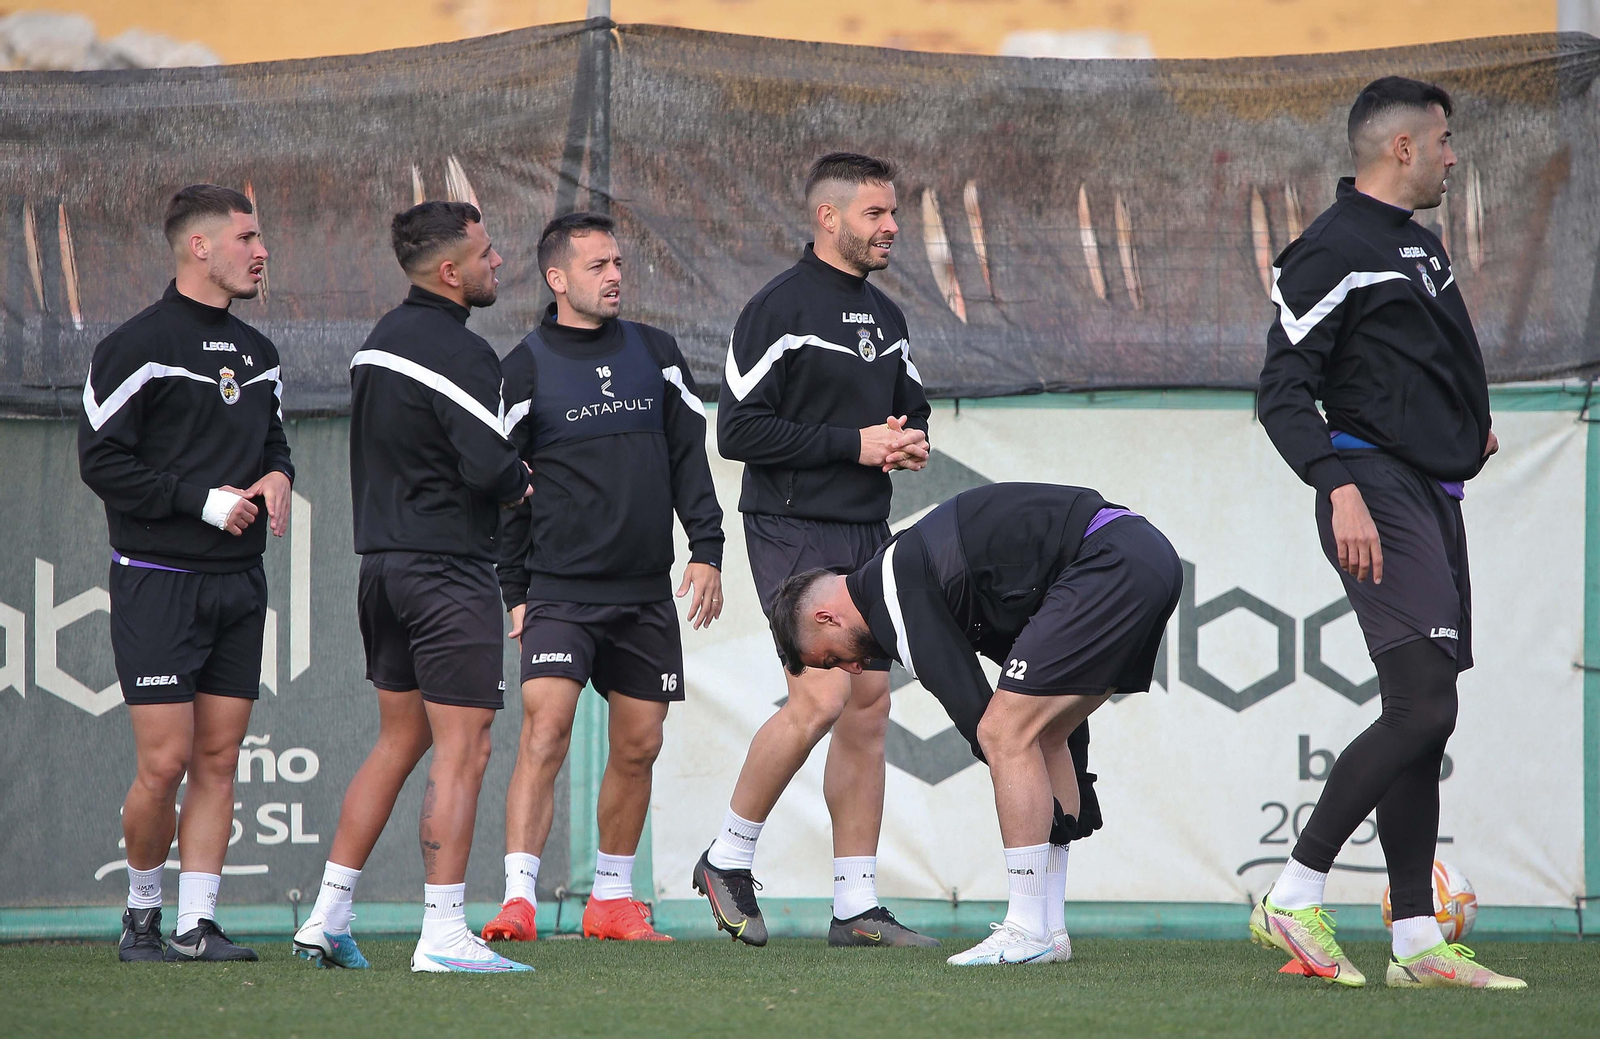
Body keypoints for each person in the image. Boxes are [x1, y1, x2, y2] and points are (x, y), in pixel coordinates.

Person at [1254, 76, 1523, 990]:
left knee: (1424, 715)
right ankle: (1293, 890)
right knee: (1423, 707)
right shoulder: (1331, 249)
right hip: (1373, 487)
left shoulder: (1418, 242)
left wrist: (1462, 422)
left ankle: (1415, 940)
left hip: (1430, 488)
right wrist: (1339, 488)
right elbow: (1283, 386)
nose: (1454, 155)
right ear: (1403, 148)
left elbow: (1416, 360)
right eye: (1443, 140)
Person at [768, 483, 1180, 965]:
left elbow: (979, 718)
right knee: (1035, 730)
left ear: (826, 617)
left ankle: (1026, 929)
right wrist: (1073, 794)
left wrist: (1065, 801)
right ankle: (1050, 930)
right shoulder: (916, 578)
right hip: (1143, 557)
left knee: (1003, 732)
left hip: (1111, 561)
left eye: (834, 658)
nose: (854, 670)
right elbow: (1050, 723)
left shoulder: (894, 591)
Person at [691, 152, 937, 949]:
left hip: (867, 529)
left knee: (869, 711)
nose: (891, 226)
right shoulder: (778, 309)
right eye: (875, 213)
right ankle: (727, 857)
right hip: (792, 527)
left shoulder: (888, 316)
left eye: (892, 212)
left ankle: (854, 906)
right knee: (822, 700)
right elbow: (739, 430)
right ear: (828, 219)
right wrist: (854, 446)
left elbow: (910, 403)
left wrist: (908, 441)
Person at [291, 201, 534, 973]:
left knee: (401, 739)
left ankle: (326, 917)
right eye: (488, 254)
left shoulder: (378, 344)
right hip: (444, 573)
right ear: (449, 271)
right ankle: (443, 934)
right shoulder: (458, 352)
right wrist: (519, 482)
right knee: (464, 748)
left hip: (383, 570)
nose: (500, 264)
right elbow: (492, 469)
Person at [479, 212, 724, 944]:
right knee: (545, 728)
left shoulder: (658, 353)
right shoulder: (521, 367)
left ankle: (611, 900)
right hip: (557, 591)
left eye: (618, 262)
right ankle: (518, 899)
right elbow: (505, 490)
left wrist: (706, 548)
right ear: (557, 278)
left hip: (644, 592)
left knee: (639, 743)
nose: (614, 275)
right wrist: (514, 593)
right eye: (597, 265)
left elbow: (689, 457)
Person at [80, 184, 292, 963]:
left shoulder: (259, 353)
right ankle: (142, 914)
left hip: (240, 581)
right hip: (157, 576)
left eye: (259, 237)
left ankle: (198, 924)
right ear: (198, 246)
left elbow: (274, 442)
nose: (261, 250)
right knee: (165, 761)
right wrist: (200, 503)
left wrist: (279, 477)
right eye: (247, 237)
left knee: (219, 757)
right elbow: (101, 462)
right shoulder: (135, 345)